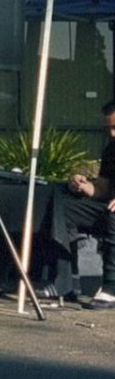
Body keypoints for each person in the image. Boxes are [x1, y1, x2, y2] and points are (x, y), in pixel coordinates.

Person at [46, 99, 115, 309]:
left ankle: (112, 285)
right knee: (62, 209)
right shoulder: (111, 149)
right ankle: (68, 279)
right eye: (108, 128)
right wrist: (84, 186)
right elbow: (102, 188)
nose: (112, 134)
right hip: (108, 206)